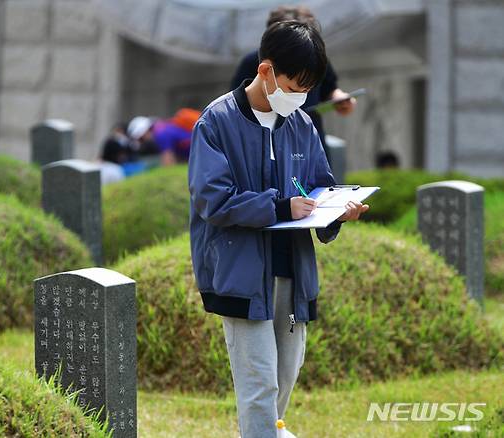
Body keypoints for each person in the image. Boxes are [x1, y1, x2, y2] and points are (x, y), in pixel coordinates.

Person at [188, 21, 369, 438]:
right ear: (266, 71)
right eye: (295, 85)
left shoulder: (301, 124)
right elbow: (212, 200)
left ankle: (266, 432)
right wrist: (279, 205)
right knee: (260, 384)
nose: (301, 97)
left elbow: (318, 186)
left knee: (286, 373)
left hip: (292, 269)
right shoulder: (216, 122)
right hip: (241, 273)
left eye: (308, 89)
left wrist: (336, 211)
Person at [230, 5, 356, 158]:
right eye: (292, 89)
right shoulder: (221, 118)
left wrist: (339, 98)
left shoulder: (305, 123)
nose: (298, 99)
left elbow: (330, 87)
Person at [127, 109, 200, 166]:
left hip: (201, 152)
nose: (142, 142)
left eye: (141, 139)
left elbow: (168, 160)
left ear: (145, 132)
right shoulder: (162, 127)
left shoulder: (160, 134)